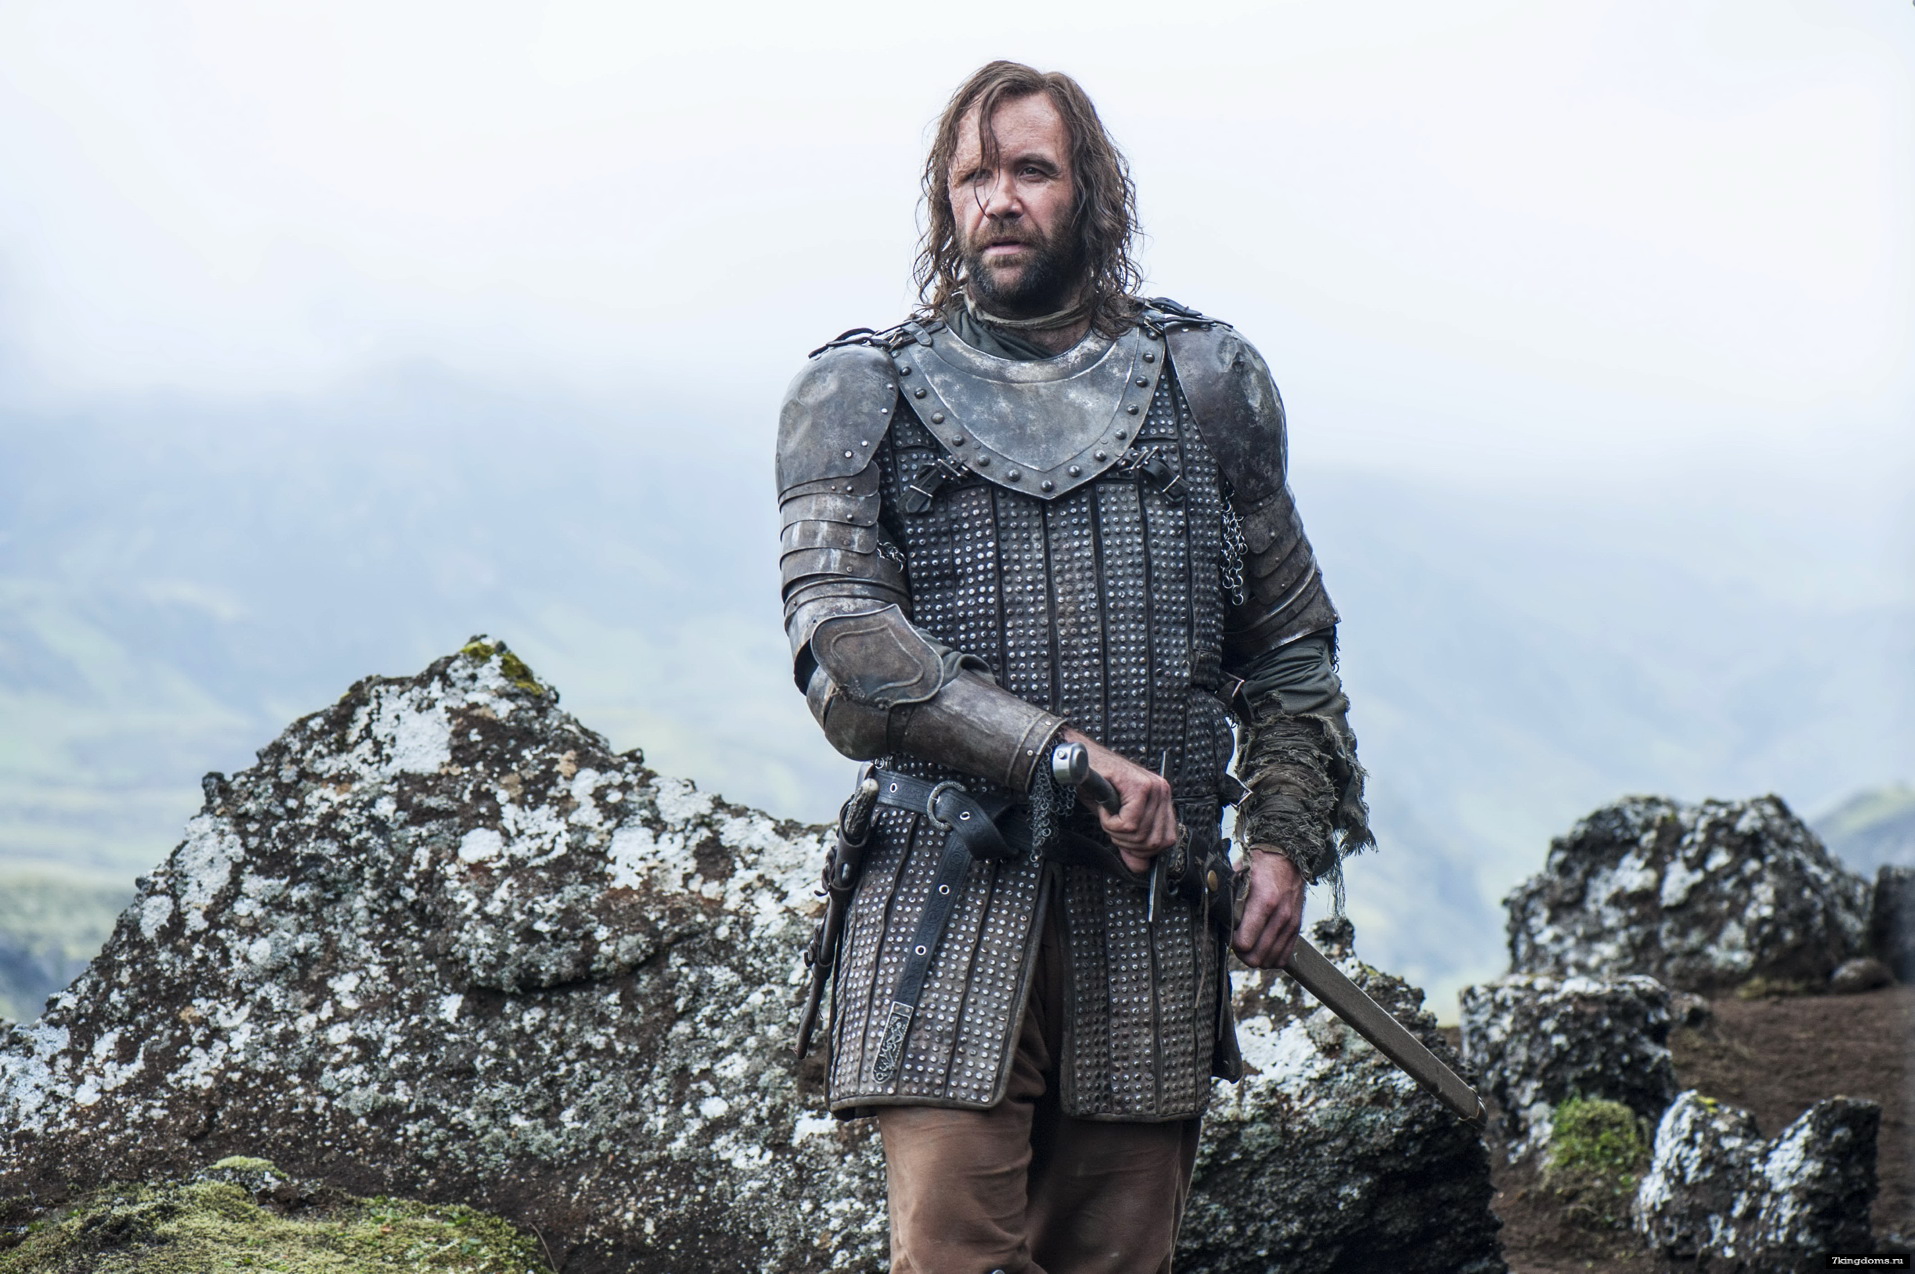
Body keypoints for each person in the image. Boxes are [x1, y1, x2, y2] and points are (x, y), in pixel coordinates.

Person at [777, 60, 1371, 1274]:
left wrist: (1279, 841)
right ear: (945, 201)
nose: (999, 198)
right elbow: (845, 647)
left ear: (1090, 190)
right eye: (973, 176)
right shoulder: (858, 392)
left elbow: (1291, 651)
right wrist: (1059, 754)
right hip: (942, 893)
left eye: (1031, 170)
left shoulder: (1207, 386)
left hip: (1149, 920)